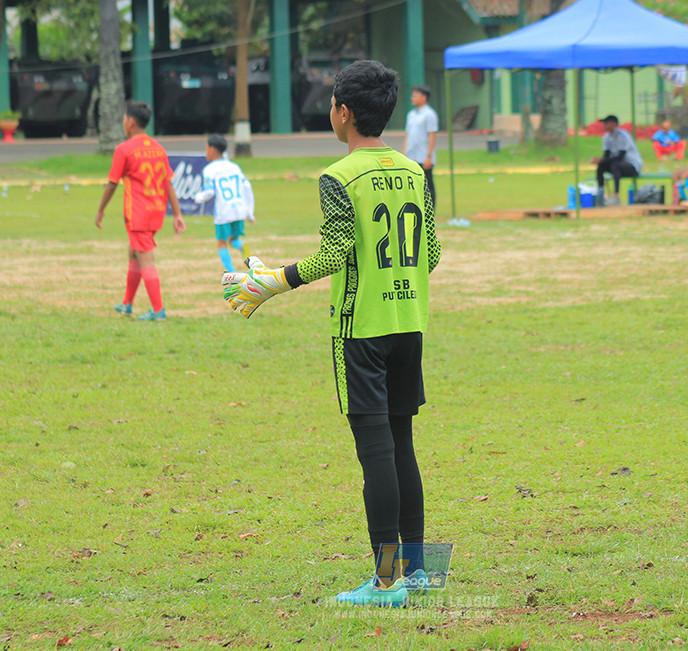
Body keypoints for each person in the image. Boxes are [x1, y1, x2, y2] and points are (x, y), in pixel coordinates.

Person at [221, 60, 442, 608]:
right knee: (403, 446)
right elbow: (431, 253)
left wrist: (274, 281)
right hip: (409, 323)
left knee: (376, 454)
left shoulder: (338, 177)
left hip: (360, 331)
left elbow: (336, 251)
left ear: (343, 113)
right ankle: (421, 572)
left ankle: (387, 582)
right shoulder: (414, 171)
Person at [95, 101, 186, 321]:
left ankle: (158, 311)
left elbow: (112, 183)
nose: (123, 123)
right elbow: (169, 183)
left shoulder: (124, 149)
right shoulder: (158, 148)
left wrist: (100, 210)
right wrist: (177, 214)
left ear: (131, 123)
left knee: (146, 259)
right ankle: (127, 304)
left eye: (124, 119)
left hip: (137, 214)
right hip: (156, 212)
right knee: (134, 254)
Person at [193, 134, 255, 273]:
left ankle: (232, 274)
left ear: (213, 150)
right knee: (234, 239)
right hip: (239, 209)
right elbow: (247, 187)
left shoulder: (209, 169)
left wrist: (198, 197)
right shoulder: (234, 166)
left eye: (207, 148)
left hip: (224, 211)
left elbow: (209, 193)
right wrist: (249, 213)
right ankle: (245, 252)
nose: (206, 152)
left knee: (221, 243)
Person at [591, 114, 642, 205]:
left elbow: (620, 157)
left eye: (607, 123)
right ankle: (601, 192)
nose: (604, 125)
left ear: (614, 124)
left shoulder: (623, 136)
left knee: (615, 165)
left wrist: (603, 160)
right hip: (618, 166)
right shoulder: (606, 137)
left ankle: (616, 196)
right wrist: (600, 160)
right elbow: (606, 155)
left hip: (632, 166)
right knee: (602, 166)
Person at [403, 84, 439, 206]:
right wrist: (404, 155)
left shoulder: (429, 114)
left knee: (428, 185)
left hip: (423, 157)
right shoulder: (411, 115)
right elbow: (408, 136)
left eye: (415, 96)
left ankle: (431, 212)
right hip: (411, 157)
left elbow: (432, 135)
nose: (412, 98)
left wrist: (429, 156)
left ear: (423, 97)